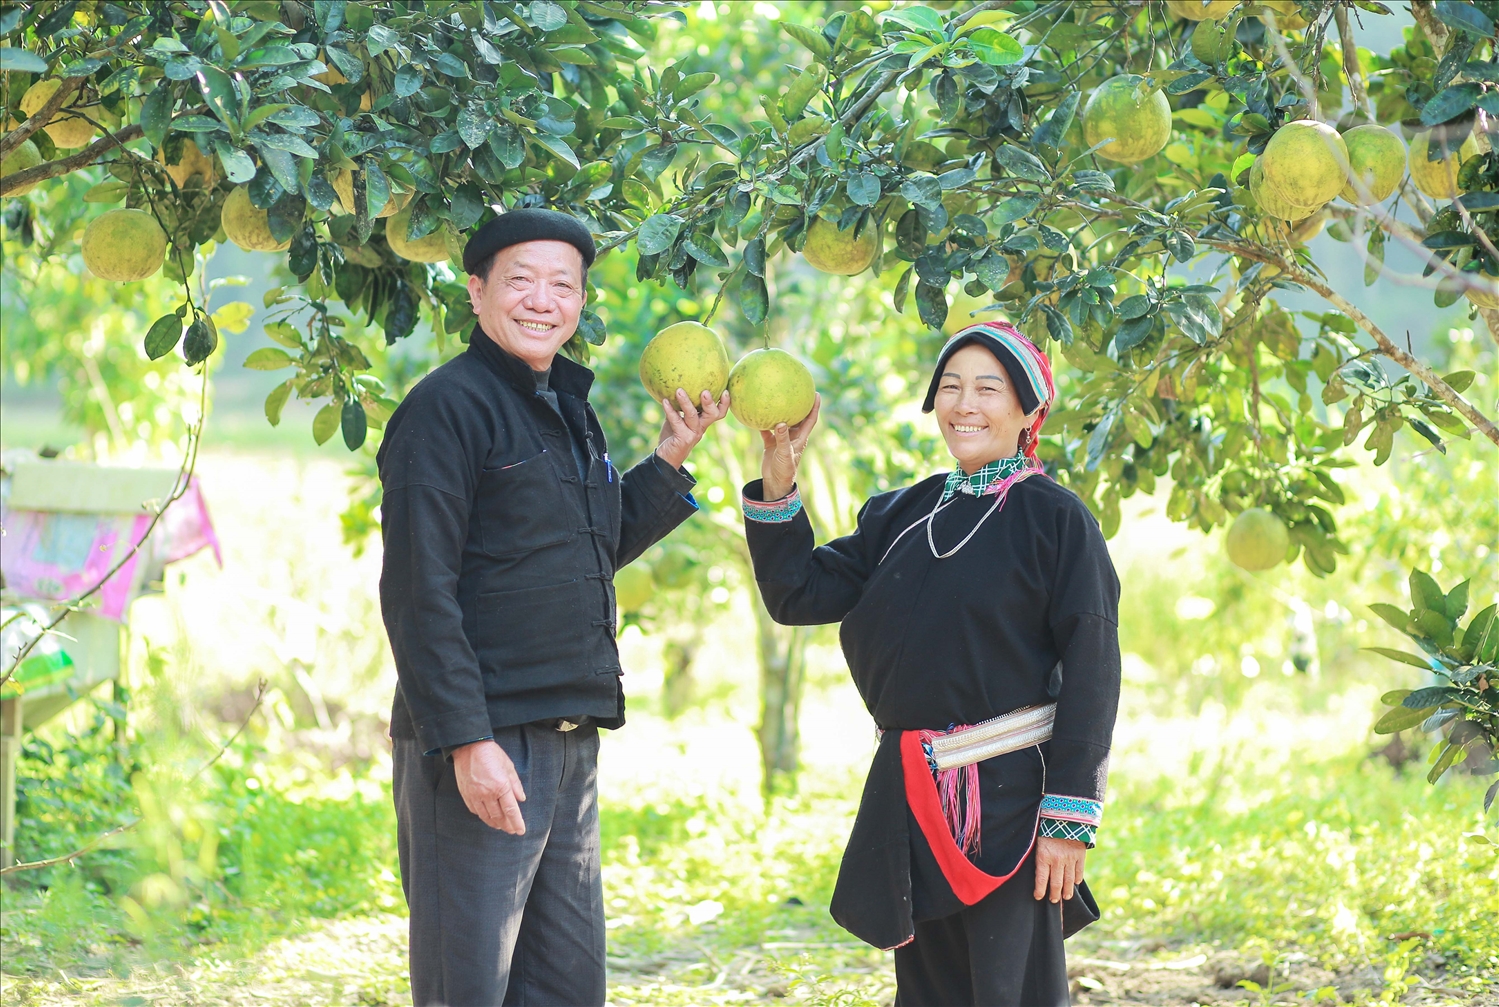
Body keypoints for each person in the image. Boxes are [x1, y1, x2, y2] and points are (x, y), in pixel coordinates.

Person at [377, 207, 730, 1006]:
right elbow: (416, 590)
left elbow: (586, 546)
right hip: (487, 737)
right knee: (468, 985)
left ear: (578, 302)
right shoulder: (446, 411)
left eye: (561, 285)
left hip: (568, 745)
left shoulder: (569, 409)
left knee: (565, 987)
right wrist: (466, 739)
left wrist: (672, 456)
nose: (542, 300)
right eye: (521, 280)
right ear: (477, 292)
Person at [740, 321, 1121, 1006]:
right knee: (926, 993)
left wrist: (1068, 819)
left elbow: (1094, 667)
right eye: (949, 387)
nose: (963, 404)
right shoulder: (898, 514)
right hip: (909, 797)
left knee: (1013, 992)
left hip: (1013, 802)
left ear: (1029, 409)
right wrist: (779, 476)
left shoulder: (1058, 521)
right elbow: (797, 593)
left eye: (987, 388)